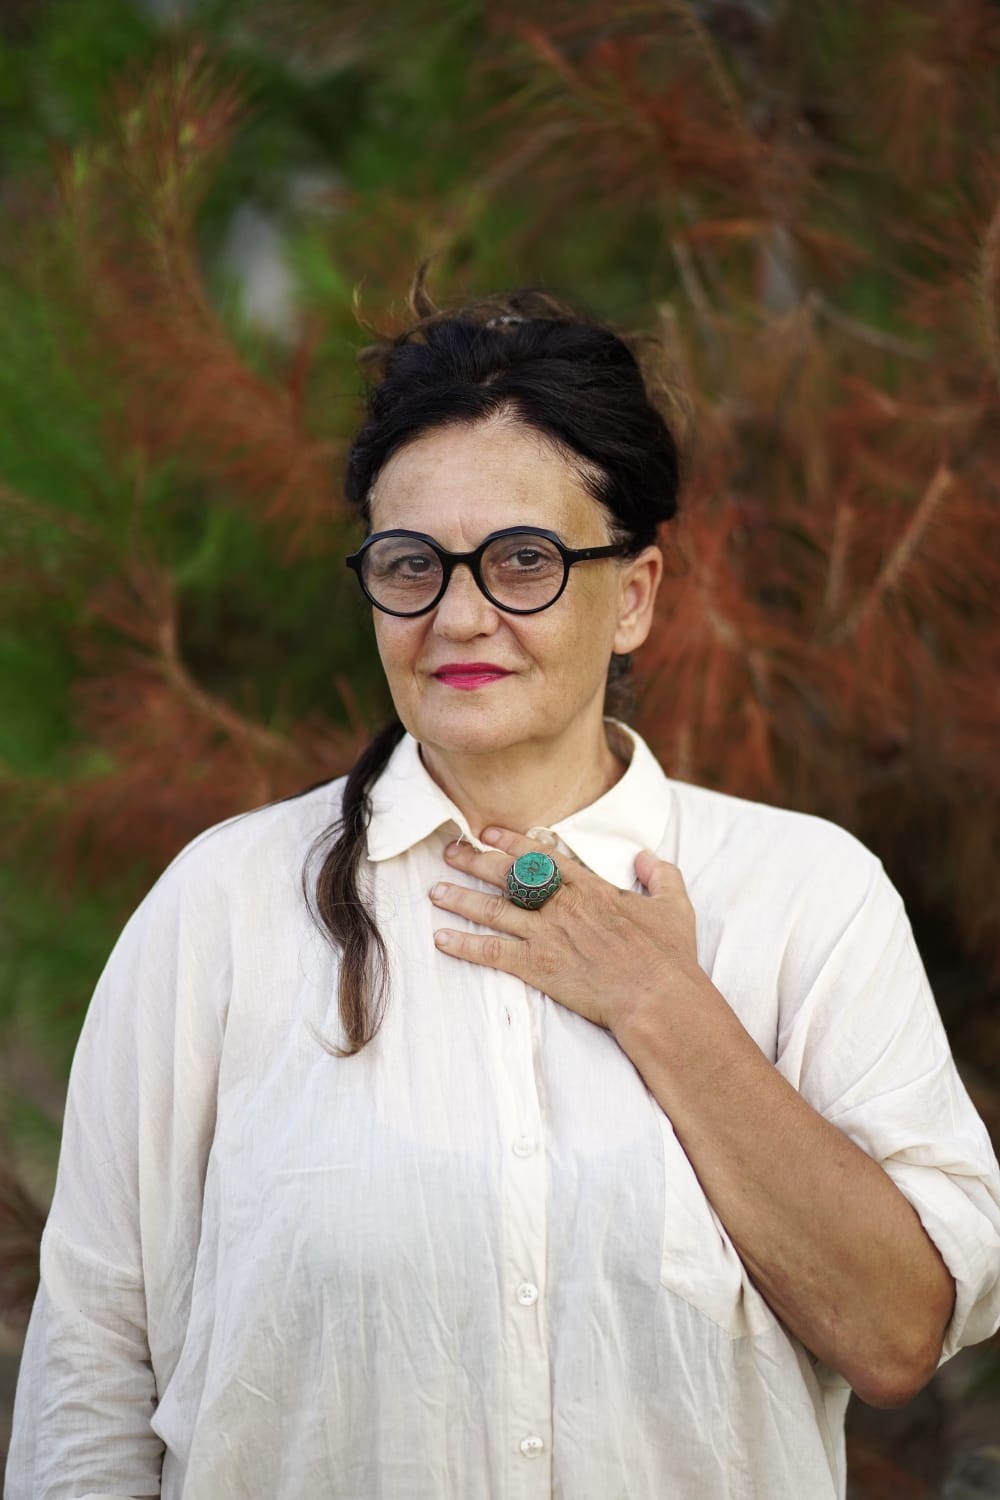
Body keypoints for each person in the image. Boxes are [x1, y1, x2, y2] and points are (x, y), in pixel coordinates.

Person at [7, 286, 1000, 1500]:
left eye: (523, 560)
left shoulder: (808, 897)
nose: (460, 614)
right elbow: (91, 1371)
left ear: (632, 595)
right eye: (411, 564)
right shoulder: (221, 909)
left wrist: (658, 1005)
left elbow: (897, 1334)